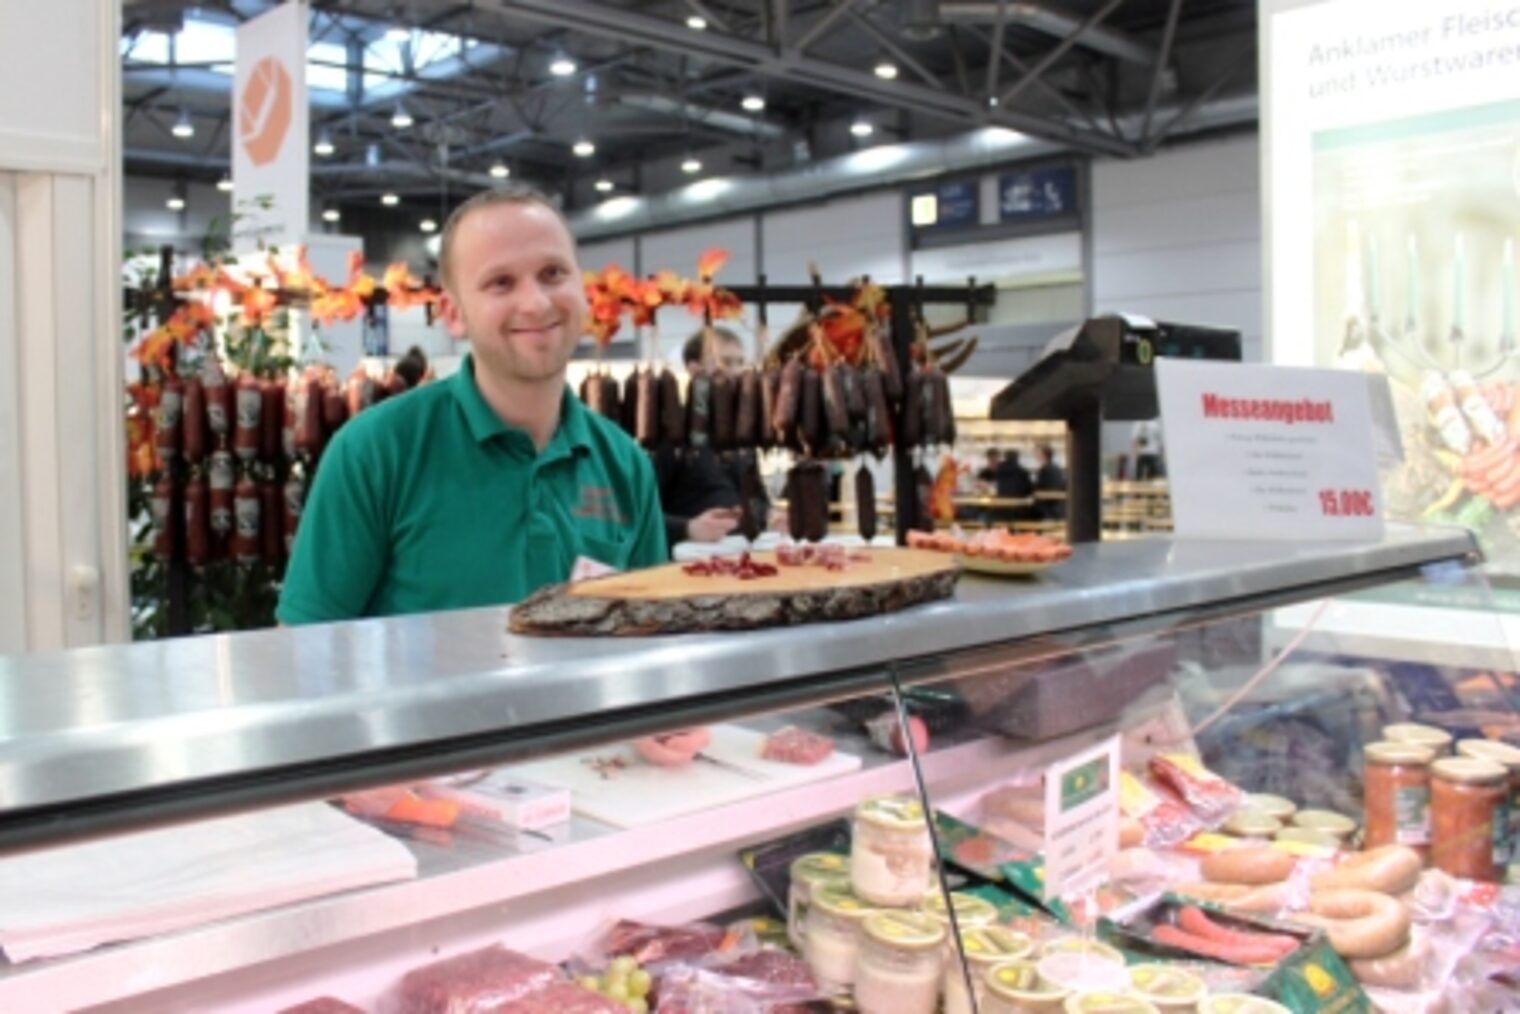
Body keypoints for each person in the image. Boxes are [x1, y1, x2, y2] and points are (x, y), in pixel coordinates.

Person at [277, 186, 666, 623]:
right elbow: (304, 648)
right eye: (501, 282)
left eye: (553, 273)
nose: (536, 303)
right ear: (454, 313)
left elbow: (644, 638)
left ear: (584, 289)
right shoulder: (374, 452)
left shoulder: (625, 465)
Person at [653, 327, 771, 549]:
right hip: (684, 566)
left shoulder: (742, 435)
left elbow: (759, 499)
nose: (735, 372)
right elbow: (638, 515)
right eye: (725, 362)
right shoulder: (671, 435)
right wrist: (688, 527)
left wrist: (768, 516)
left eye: (740, 362)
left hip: (741, 561)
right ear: (694, 368)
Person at [992, 448, 1036, 522]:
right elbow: (1029, 491)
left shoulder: (999, 471)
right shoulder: (1023, 471)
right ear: (1017, 458)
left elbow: (997, 488)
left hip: (1001, 509)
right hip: (1019, 509)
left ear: (1005, 458)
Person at [1034, 444, 1066, 521]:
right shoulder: (1057, 469)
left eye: (1037, 453)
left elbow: (1040, 488)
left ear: (1043, 455)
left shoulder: (1045, 470)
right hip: (1059, 507)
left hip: (1049, 509)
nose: (1035, 456)